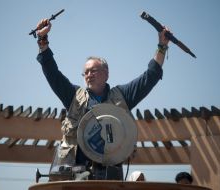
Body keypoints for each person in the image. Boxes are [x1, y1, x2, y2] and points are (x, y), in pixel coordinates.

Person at [35, 19, 170, 180]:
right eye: (85, 72)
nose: (88, 75)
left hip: (109, 177)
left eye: (93, 70)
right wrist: (42, 40)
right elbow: (52, 73)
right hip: (73, 177)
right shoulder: (74, 97)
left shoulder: (122, 96)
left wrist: (162, 46)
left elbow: (150, 76)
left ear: (106, 74)